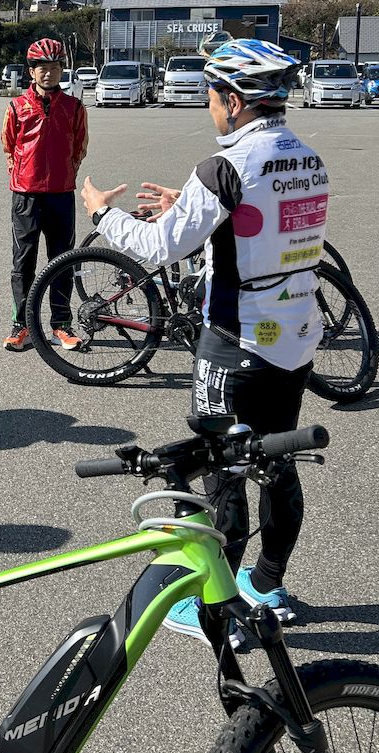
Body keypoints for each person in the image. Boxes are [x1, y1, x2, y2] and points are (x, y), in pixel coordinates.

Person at [80, 39, 326, 646]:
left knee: (224, 471)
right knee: (276, 460)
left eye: (212, 96)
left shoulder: (224, 167)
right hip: (293, 334)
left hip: (237, 339)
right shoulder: (306, 155)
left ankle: (220, 610)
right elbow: (263, 226)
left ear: (235, 102)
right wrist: (188, 207)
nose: (208, 107)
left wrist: (101, 214)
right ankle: (267, 584)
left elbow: (158, 247)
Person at [0, 37, 88, 351]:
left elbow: (79, 147)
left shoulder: (74, 107)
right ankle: (22, 324)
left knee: (62, 261)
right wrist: (25, 175)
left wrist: (63, 175)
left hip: (61, 194)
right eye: (42, 68)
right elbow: (9, 145)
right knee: (23, 263)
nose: (48, 73)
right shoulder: (17, 106)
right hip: (26, 195)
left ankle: (61, 325)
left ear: (62, 70)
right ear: (31, 71)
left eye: (54, 67)